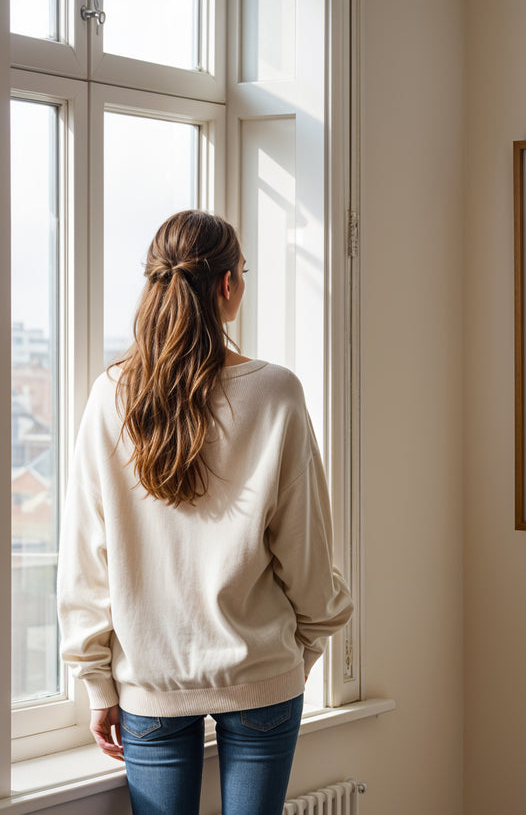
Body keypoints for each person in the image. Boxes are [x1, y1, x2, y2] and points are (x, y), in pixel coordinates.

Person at [57, 210, 353, 815]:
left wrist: (96, 682)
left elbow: (86, 551)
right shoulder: (275, 393)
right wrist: (311, 643)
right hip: (262, 671)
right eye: (243, 272)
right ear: (227, 286)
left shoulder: (111, 394)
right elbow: (306, 545)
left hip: (149, 681)